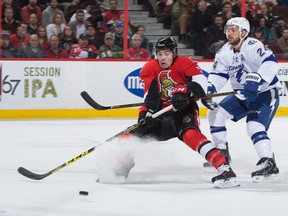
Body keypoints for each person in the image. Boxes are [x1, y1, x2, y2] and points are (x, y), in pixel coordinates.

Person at [100, 37, 240, 188]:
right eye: (159, 54)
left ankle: (225, 169)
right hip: (160, 113)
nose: (162, 58)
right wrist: (146, 114)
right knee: (129, 137)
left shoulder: (185, 63)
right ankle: (123, 166)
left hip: (183, 111)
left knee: (191, 135)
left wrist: (185, 92)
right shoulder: (149, 68)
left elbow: (201, 85)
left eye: (166, 54)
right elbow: (150, 95)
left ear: (174, 53)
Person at [201, 17, 281, 182]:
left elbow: (271, 63)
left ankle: (268, 162)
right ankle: (222, 153)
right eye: (228, 30)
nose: (229, 33)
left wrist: (257, 78)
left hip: (264, 93)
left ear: (243, 32)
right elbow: (218, 75)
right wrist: (209, 90)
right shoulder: (224, 52)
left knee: (253, 126)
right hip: (242, 95)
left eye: (233, 30)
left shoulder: (253, 46)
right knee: (216, 114)